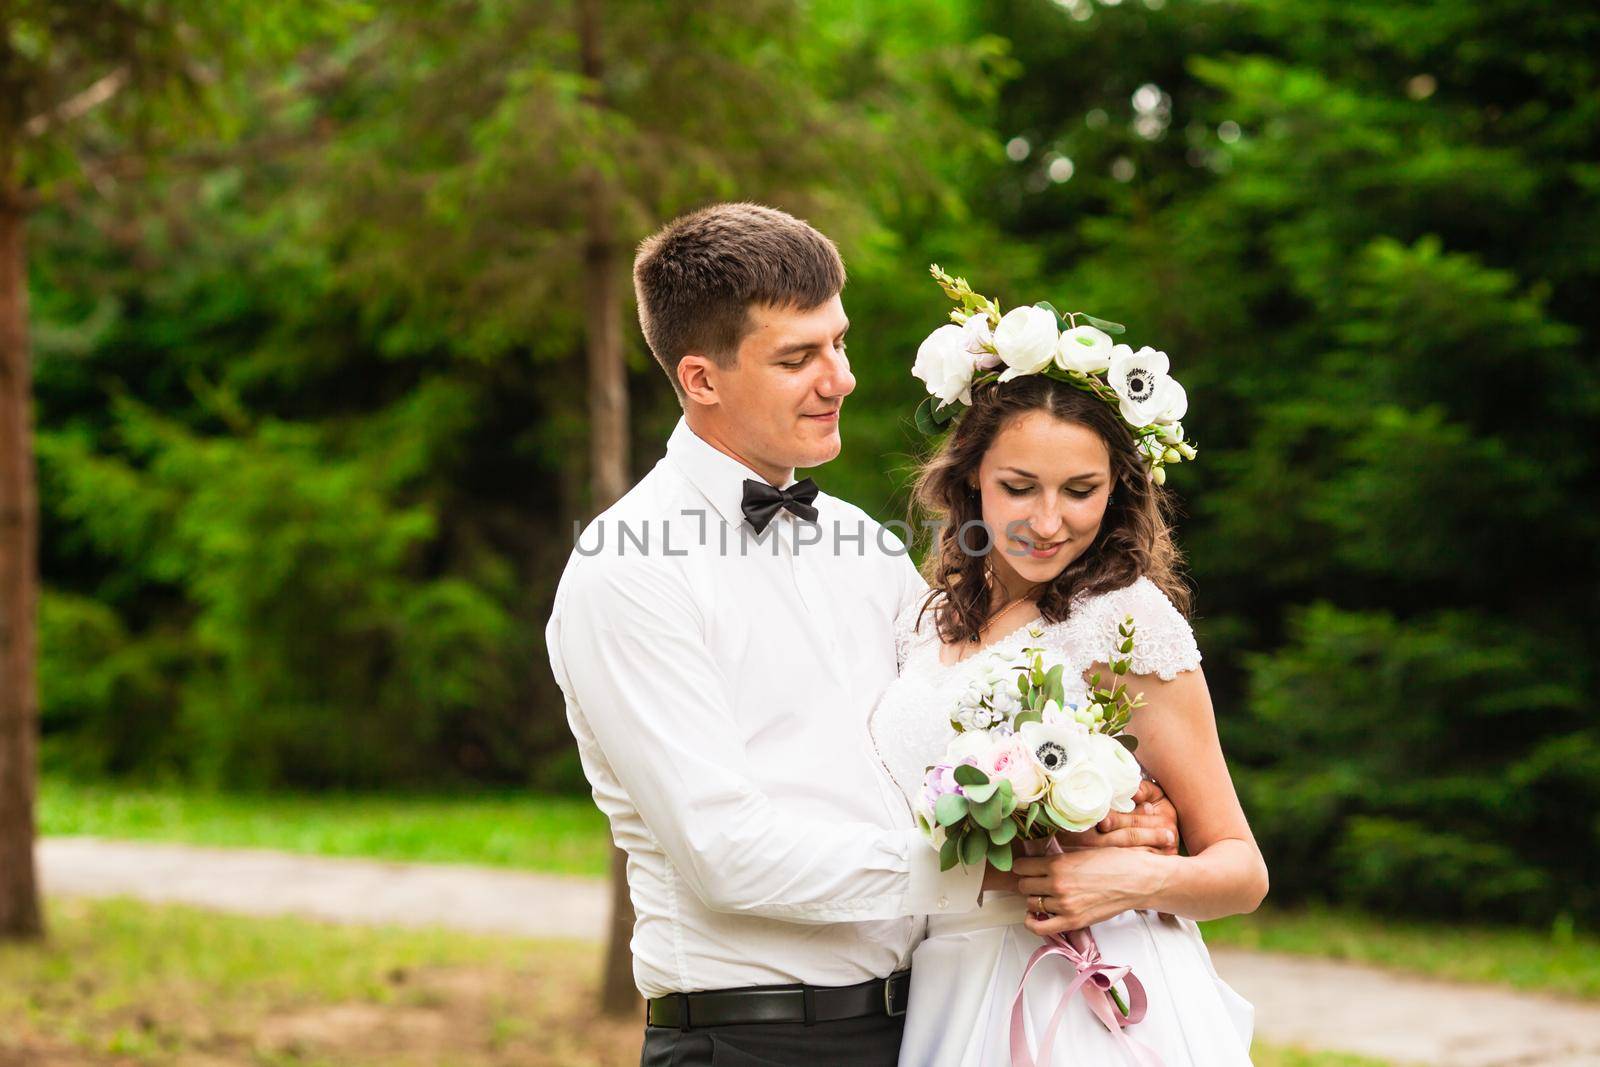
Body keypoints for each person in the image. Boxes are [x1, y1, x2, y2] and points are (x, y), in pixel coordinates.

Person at [545, 202, 1180, 1066]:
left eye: (839, 343)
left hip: (926, 1021)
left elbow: (957, 725)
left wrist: (1114, 816)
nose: (840, 378)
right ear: (701, 378)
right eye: (798, 357)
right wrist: (991, 875)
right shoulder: (628, 571)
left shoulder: (863, 543)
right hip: (750, 1039)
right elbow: (727, 855)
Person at [874, 295, 1267, 1063]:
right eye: (1019, 486)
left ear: (1117, 489)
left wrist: (1128, 876)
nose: (1048, 521)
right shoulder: (923, 623)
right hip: (945, 985)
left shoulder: (1124, 620)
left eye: (1080, 490)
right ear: (970, 482)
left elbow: (1240, 868)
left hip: (1081, 997)